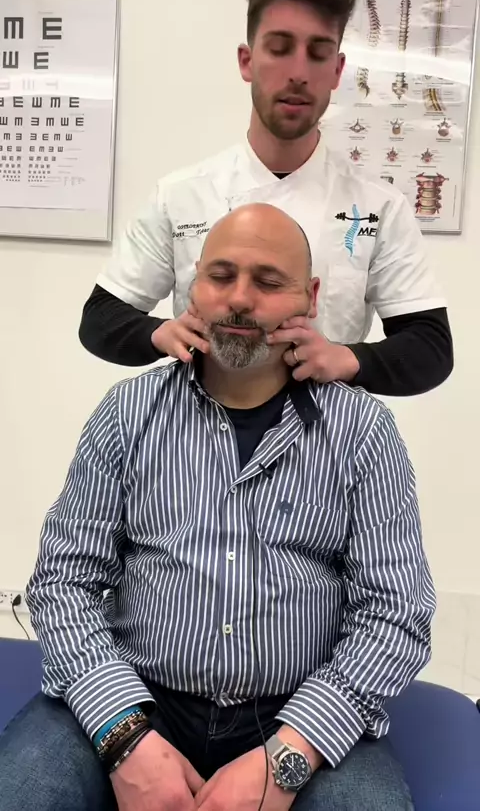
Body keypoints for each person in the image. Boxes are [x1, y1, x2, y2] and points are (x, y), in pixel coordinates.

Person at [0, 203, 434, 811]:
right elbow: (63, 583)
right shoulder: (128, 413)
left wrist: (289, 755)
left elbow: (396, 613)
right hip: (135, 694)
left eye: (269, 281)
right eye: (221, 275)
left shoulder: (363, 431)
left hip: (298, 711)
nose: (239, 299)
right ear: (193, 286)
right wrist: (124, 737)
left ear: (310, 298)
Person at [79, 0, 453, 398]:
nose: (298, 72)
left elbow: (431, 348)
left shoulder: (378, 207)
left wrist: (347, 359)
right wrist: (158, 333)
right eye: (279, 48)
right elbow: (99, 319)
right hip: (196, 429)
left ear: (337, 71)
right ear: (247, 60)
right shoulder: (180, 195)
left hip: (325, 432)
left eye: (318, 53)